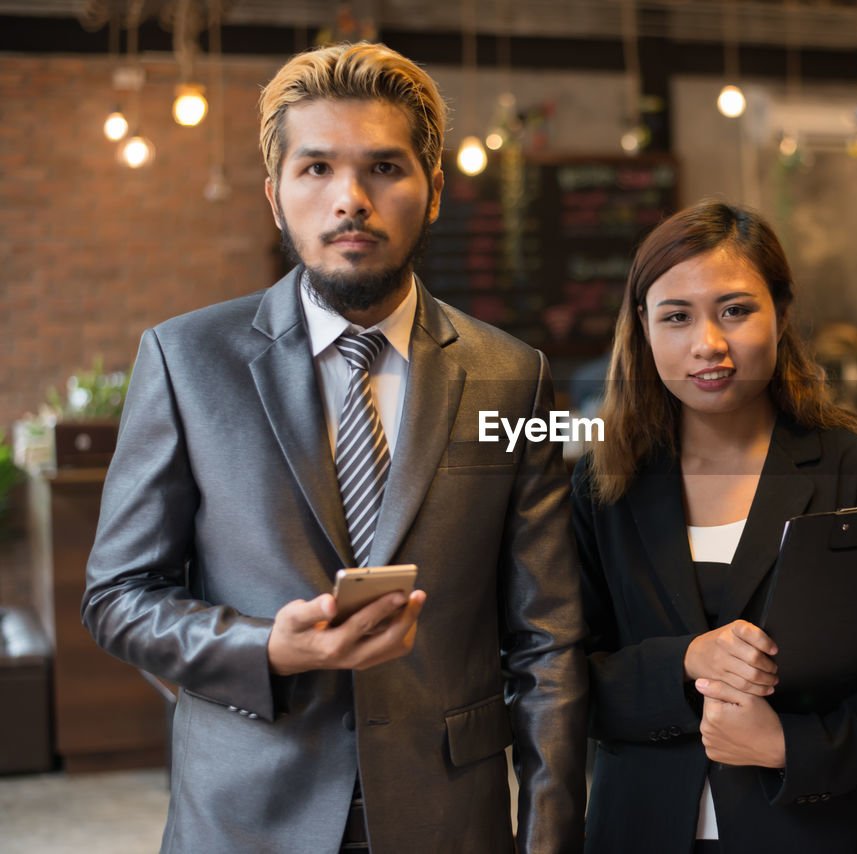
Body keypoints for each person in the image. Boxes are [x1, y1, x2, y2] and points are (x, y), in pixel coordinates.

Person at [82, 43, 586, 854]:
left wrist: (551, 836)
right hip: (246, 813)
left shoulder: (513, 377)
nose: (350, 199)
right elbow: (117, 597)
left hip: (448, 817)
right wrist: (264, 649)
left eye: (384, 167)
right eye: (315, 168)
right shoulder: (186, 362)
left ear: (434, 193)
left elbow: (548, 638)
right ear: (276, 198)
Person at [570, 201, 857, 854]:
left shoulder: (852, 473)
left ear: (781, 311)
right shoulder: (601, 486)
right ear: (642, 327)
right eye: (677, 316)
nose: (709, 344)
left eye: (735, 310)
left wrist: (789, 745)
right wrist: (687, 662)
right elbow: (559, 682)